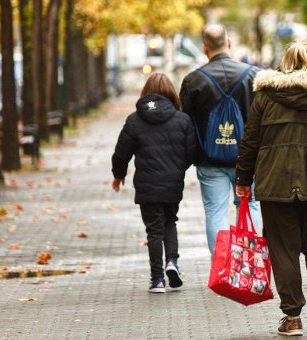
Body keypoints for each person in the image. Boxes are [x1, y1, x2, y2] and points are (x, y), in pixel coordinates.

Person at [235, 39, 307, 336]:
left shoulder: (265, 94)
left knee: (283, 250)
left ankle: (292, 318)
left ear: (284, 61)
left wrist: (243, 180)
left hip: (275, 182)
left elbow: (250, 140)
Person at [111, 73, 199, 293]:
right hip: (172, 184)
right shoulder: (183, 120)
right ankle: (172, 262)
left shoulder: (134, 120)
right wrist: (177, 170)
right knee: (170, 221)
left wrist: (118, 174)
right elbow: (191, 153)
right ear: (171, 91)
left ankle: (158, 279)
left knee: (153, 230)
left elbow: (122, 152)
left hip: (147, 184)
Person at [179, 24, 261, 256]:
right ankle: (249, 264)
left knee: (215, 212)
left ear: (204, 48)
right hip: (248, 159)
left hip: (209, 160)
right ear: (229, 43)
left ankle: (222, 268)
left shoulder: (193, 80)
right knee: (249, 205)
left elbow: (186, 121)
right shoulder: (253, 75)